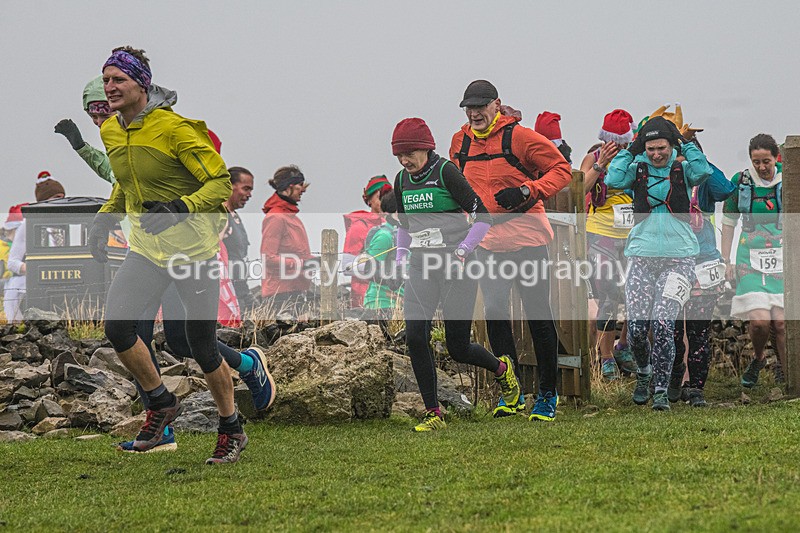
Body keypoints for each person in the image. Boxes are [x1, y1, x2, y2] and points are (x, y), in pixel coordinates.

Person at [89, 46, 252, 463]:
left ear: (141, 84)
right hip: (147, 250)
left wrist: (180, 207)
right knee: (118, 327)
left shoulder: (175, 129)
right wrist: (105, 219)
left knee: (200, 345)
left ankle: (231, 427)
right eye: (105, 80)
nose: (109, 87)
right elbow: (126, 185)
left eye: (118, 80)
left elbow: (219, 182)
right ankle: (160, 403)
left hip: (192, 249)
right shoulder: (111, 131)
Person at [449, 80, 572, 421]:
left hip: (528, 239)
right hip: (488, 243)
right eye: (468, 108)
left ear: (496, 104)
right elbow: (458, 188)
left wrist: (527, 190)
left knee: (538, 315)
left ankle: (548, 394)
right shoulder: (459, 142)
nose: (474, 113)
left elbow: (561, 170)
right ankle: (512, 391)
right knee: (496, 312)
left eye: (480, 106)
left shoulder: (520, 137)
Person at [392, 117, 521, 432]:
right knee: (415, 337)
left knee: (457, 347)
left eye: (409, 153)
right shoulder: (401, 180)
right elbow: (405, 227)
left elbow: (482, 218)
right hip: (422, 267)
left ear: (425, 148)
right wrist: (400, 257)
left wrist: (463, 251)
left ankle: (503, 369)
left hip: (456, 269)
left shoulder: (445, 172)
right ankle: (433, 413)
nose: (404, 160)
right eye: (399, 155)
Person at [605, 116, 712, 411]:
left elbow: (704, 171)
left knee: (664, 324)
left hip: (680, 258)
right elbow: (612, 179)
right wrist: (632, 146)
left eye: (661, 147)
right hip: (641, 256)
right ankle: (644, 372)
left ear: (670, 145)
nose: (656, 154)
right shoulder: (636, 170)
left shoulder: (683, 168)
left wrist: (685, 142)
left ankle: (662, 389)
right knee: (638, 329)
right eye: (650, 148)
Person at [672, 136, 735, 406]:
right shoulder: (667, 177)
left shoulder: (704, 180)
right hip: (672, 260)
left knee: (698, 331)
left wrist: (700, 159)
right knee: (672, 329)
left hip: (704, 260)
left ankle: (696, 388)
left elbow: (726, 190)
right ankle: (674, 381)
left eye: (688, 155)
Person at [721, 133, 784, 388]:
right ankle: (758, 359)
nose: (761, 167)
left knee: (781, 323)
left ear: (776, 157)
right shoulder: (741, 181)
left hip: (782, 256)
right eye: (756, 161)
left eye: (766, 161)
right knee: (759, 322)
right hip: (749, 256)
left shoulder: (789, 177)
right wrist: (725, 260)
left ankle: (788, 377)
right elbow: (728, 222)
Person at [579, 109, 638, 380]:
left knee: (632, 293)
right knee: (607, 293)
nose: (618, 147)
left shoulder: (637, 159)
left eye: (623, 142)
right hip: (600, 234)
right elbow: (579, 192)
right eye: (613, 142)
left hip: (633, 235)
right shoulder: (592, 158)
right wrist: (600, 164)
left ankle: (623, 344)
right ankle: (605, 357)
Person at [4, 174, 66, 323]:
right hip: (27, 287)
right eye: (55, 199)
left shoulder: (63, 226)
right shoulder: (28, 225)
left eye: (62, 198)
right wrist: (38, 269)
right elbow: (12, 262)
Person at [260, 165, 313, 312]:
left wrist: (312, 261)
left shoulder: (291, 217)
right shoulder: (276, 217)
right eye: (300, 186)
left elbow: (298, 252)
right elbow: (268, 258)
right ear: (289, 187)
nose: (303, 190)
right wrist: (303, 263)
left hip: (295, 290)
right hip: (280, 295)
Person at [55, 76, 117, 184]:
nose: (99, 122)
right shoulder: (116, 142)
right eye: (93, 116)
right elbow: (114, 173)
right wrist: (81, 147)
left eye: (105, 115)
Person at [343, 175, 392, 309]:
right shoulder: (359, 226)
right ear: (369, 200)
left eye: (389, 194)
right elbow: (347, 266)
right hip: (364, 299)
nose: (385, 199)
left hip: (389, 298)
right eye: (380, 195)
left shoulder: (393, 225)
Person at [222, 166, 256, 313]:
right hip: (225, 293)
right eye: (246, 189)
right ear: (230, 186)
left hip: (239, 290)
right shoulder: (220, 216)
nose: (249, 195)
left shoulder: (234, 215)